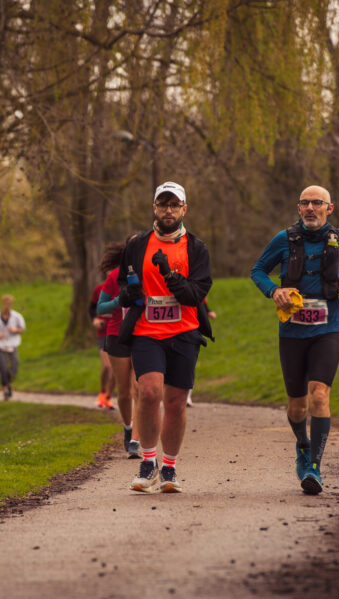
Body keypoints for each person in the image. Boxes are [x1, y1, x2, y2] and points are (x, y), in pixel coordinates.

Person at [250, 185, 339, 495]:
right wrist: (274, 291)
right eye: (305, 203)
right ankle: (302, 444)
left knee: (320, 395)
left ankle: (314, 465)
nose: (311, 207)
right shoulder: (284, 240)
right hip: (292, 334)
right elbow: (258, 270)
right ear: (298, 208)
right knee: (298, 407)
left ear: (330, 207)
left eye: (317, 202)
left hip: (328, 330)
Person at [118, 181, 214, 493]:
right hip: (147, 331)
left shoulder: (196, 249)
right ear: (154, 208)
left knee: (174, 402)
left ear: (184, 209)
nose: (168, 210)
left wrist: (169, 275)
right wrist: (129, 292)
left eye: (174, 205)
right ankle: (148, 464)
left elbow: (193, 295)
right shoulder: (137, 244)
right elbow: (124, 281)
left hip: (184, 331)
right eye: (163, 204)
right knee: (148, 392)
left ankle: (169, 468)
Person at [97, 241, 141, 458]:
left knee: (139, 387)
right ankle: (128, 428)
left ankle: (136, 440)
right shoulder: (114, 276)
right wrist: (118, 301)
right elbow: (100, 307)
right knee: (124, 391)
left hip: (143, 334)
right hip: (117, 335)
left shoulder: (148, 273)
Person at [0, 294, 26, 401]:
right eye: (5, 304)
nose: (7, 307)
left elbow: (22, 329)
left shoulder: (17, 316)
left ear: (11, 305)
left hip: (12, 344)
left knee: (13, 369)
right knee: (2, 368)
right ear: (2, 304)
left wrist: (15, 330)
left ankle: (9, 384)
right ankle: (5, 390)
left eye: (9, 304)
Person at [89, 280, 115, 409]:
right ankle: (102, 392)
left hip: (118, 332)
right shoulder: (100, 289)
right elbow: (92, 307)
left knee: (115, 369)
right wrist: (95, 319)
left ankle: (109, 397)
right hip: (103, 332)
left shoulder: (124, 287)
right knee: (107, 366)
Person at [186, 297, 217, 407]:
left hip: (191, 329)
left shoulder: (195, 282)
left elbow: (200, 299)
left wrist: (208, 311)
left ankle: (187, 397)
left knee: (189, 366)